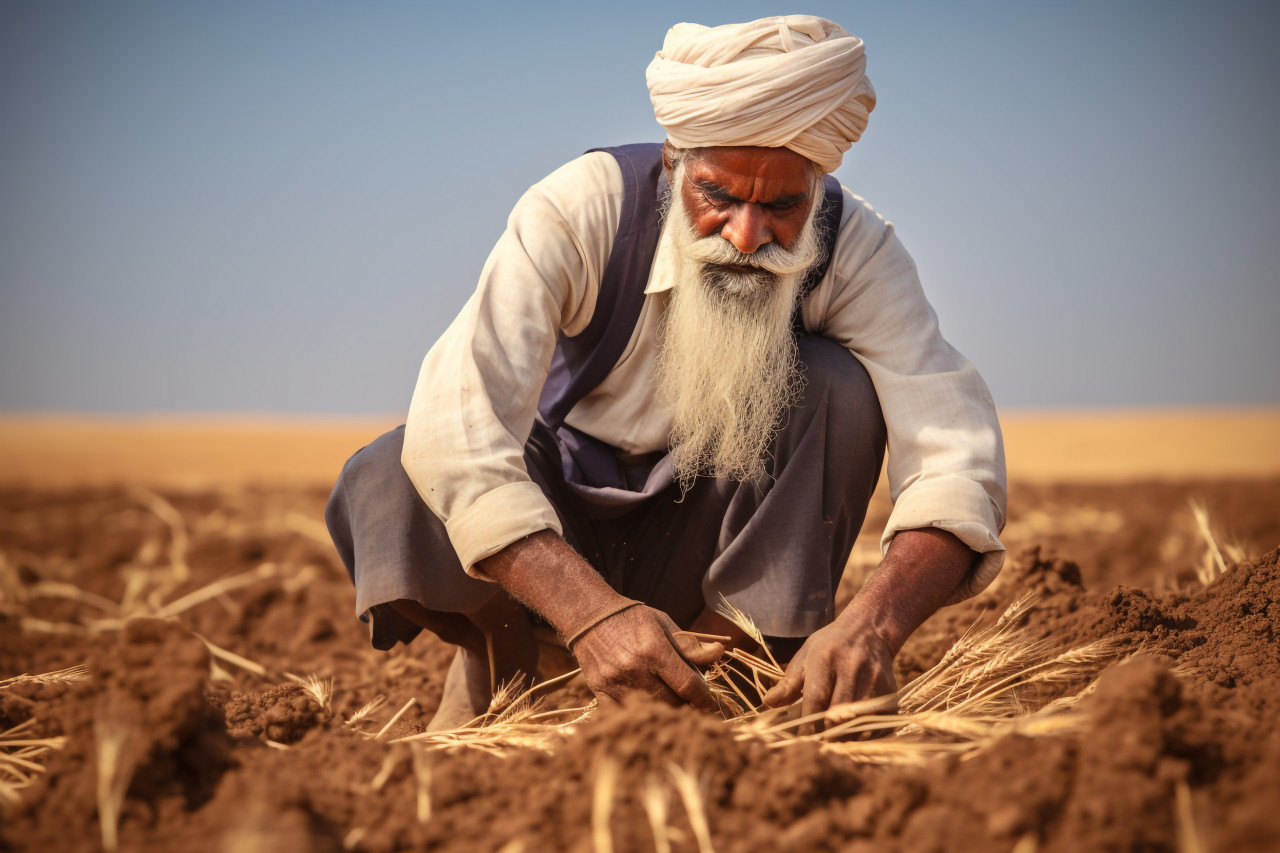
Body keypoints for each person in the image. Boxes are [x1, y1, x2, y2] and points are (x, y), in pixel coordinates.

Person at [326, 15, 1007, 730]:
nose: (748, 237)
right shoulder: (581, 209)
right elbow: (457, 428)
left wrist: (873, 625)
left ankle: (710, 689)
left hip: (710, 544)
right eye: (718, 196)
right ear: (674, 164)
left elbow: (955, 456)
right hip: (556, 536)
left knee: (840, 387)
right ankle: (504, 661)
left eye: (782, 205)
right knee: (398, 471)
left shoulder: (857, 250)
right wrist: (592, 614)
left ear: (817, 182)